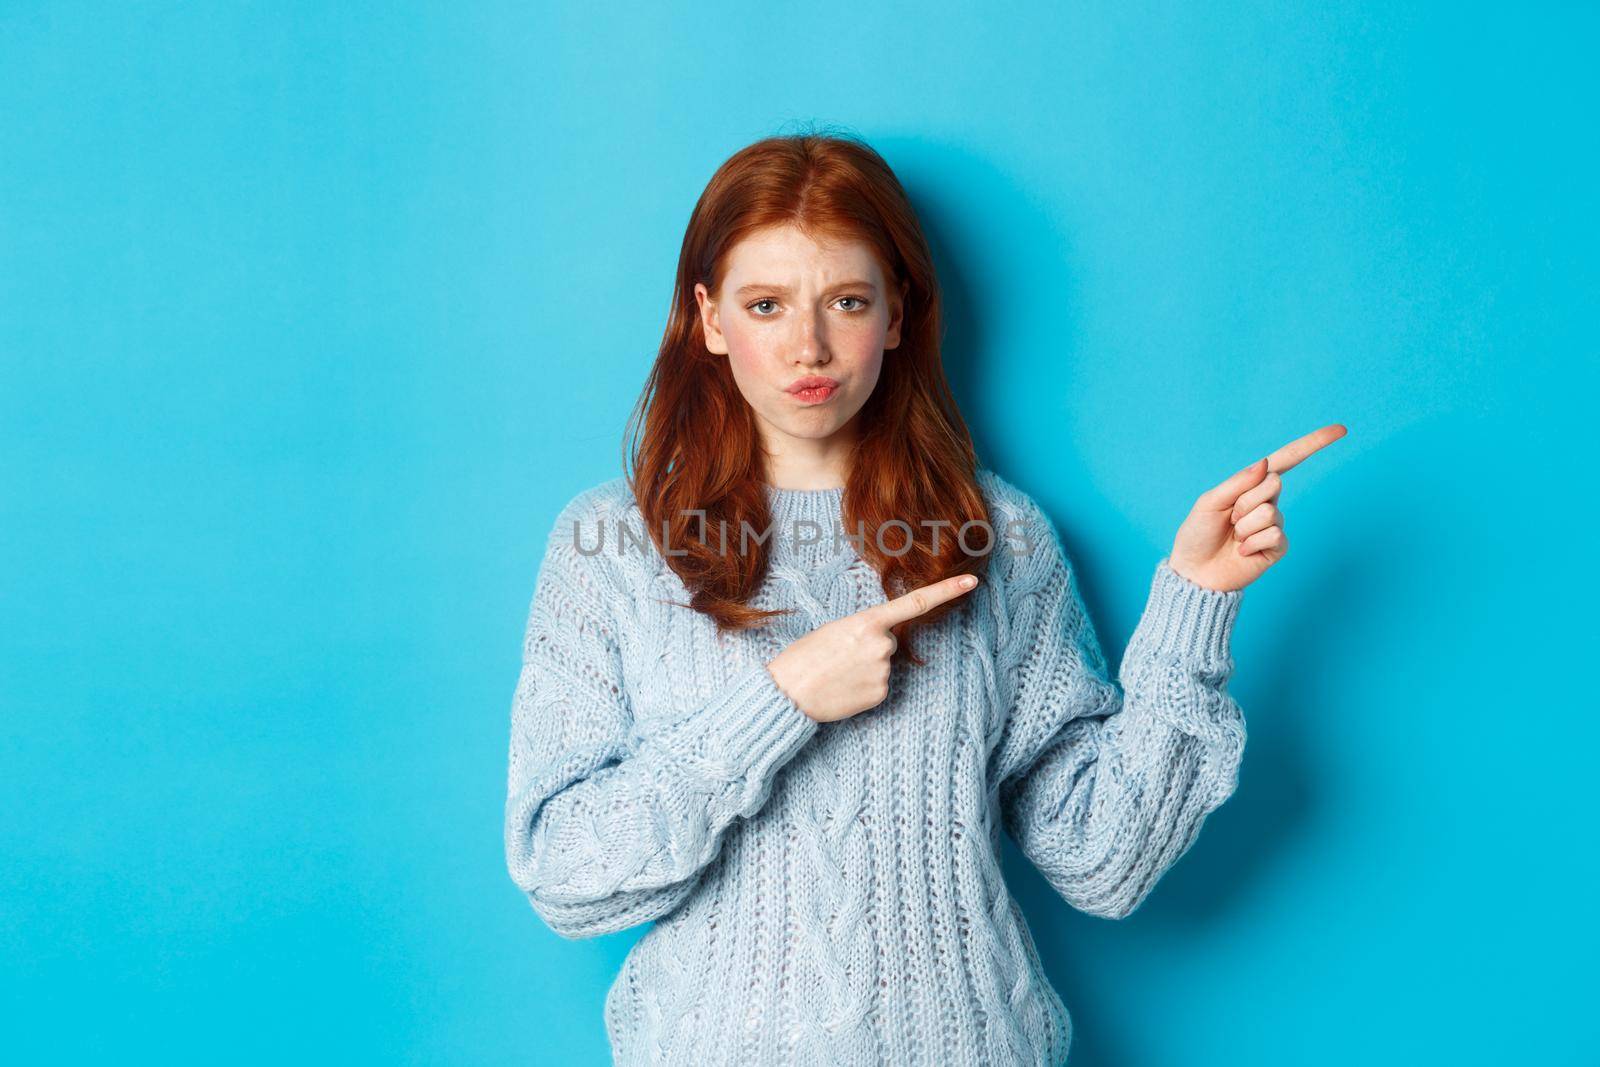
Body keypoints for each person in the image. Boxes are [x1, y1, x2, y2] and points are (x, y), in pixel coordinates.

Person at [503, 130, 1345, 1066]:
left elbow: (1103, 861)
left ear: (898, 313)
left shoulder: (999, 533)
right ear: (707, 318)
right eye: (766, 304)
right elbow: (563, 873)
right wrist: (776, 703)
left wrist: (1195, 602)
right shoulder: (613, 545)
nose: (808, 345)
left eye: (847, 301)